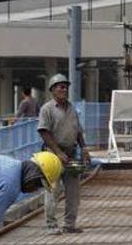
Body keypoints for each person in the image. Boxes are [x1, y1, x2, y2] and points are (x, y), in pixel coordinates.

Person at [38, 73, 92, 234]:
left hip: (71, 154)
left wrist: (84, 148)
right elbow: (44, 132)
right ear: (52, 90)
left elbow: (78, 131)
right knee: (52, 190)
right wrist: (58, 152)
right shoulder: (47, 109)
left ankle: (69, 224)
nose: (64, 89)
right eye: (60, 86)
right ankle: (51, 225)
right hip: (52, 155)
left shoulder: (72, 109)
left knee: (73, 191)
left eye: (66, 86)